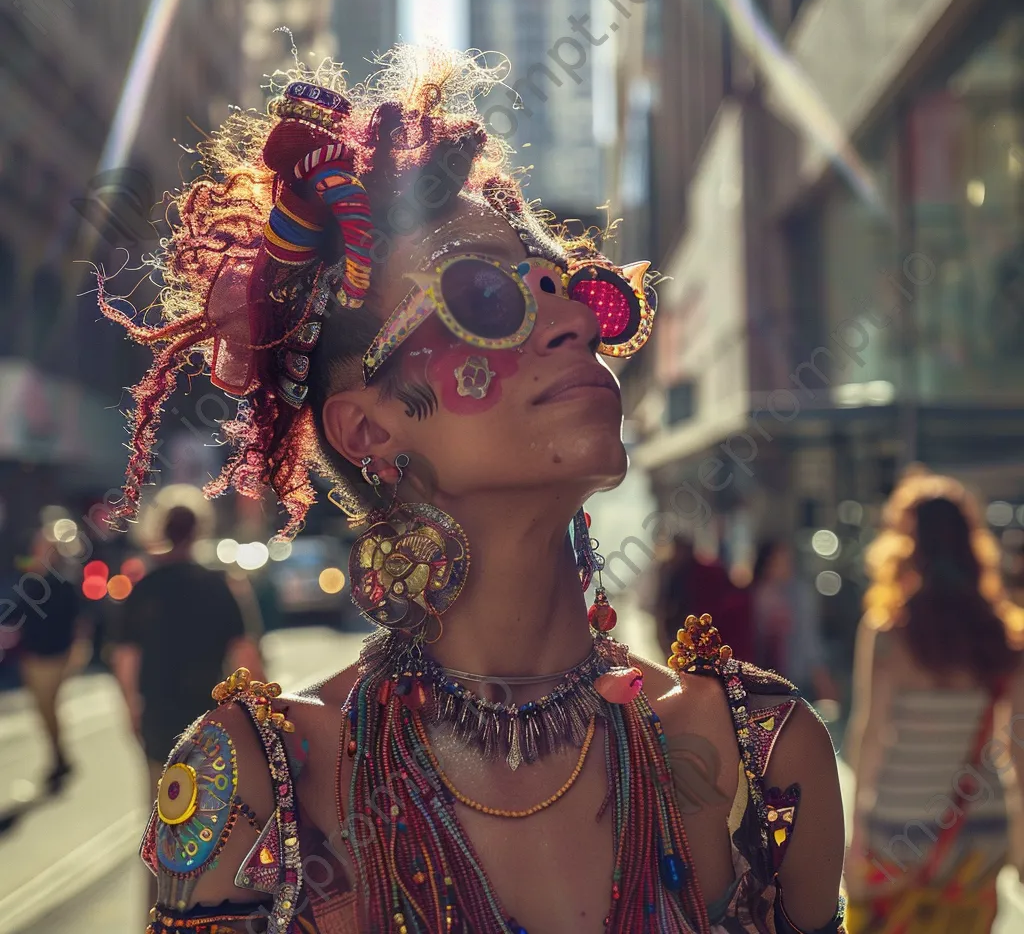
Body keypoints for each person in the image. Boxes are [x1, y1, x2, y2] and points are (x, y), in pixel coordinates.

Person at [101, 47, 846, 933]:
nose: (573, 320)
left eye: (569, 287)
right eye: (488, 298)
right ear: (369, 428)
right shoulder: (260, 790)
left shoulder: (762, 753)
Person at [844, 471, 1024, 933]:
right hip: (981, 831)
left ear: (908, 544)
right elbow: (1018, 744)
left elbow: (871, 731)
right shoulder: (1005, 635)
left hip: (898, 828)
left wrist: (857, 829)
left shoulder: (888, 634)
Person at [110, 504, 265, 788]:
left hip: (159, 713)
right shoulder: (219, 586)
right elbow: (246, 656)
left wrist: (132, 707)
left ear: (160, 530)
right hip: (209, 712)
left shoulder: (144, 589)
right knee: (214, 801)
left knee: (165, 799)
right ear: (199, 532)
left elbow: (125, 657)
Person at [10, 525, 81, 792]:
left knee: (49, 707)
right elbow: (18, 615)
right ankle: (58, 754)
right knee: (42, 709)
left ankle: (58, 756)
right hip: (33, 654)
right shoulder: (29, 580)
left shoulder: (63, 583)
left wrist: (77, 651)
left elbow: (77, 621)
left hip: (55, 654)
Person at [749, 540, 839, 705]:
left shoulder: (798, 594)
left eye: (789, 561)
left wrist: (819, 675)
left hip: (794, 675)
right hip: (763, 676)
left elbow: (808, 639)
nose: (787, 566)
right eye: (781, 560)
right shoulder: (756, 596)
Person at [655, 534, 753, 663]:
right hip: (682, 637)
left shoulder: (709, 571)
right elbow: (665, 609)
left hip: (708, 638)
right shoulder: (671, 573)